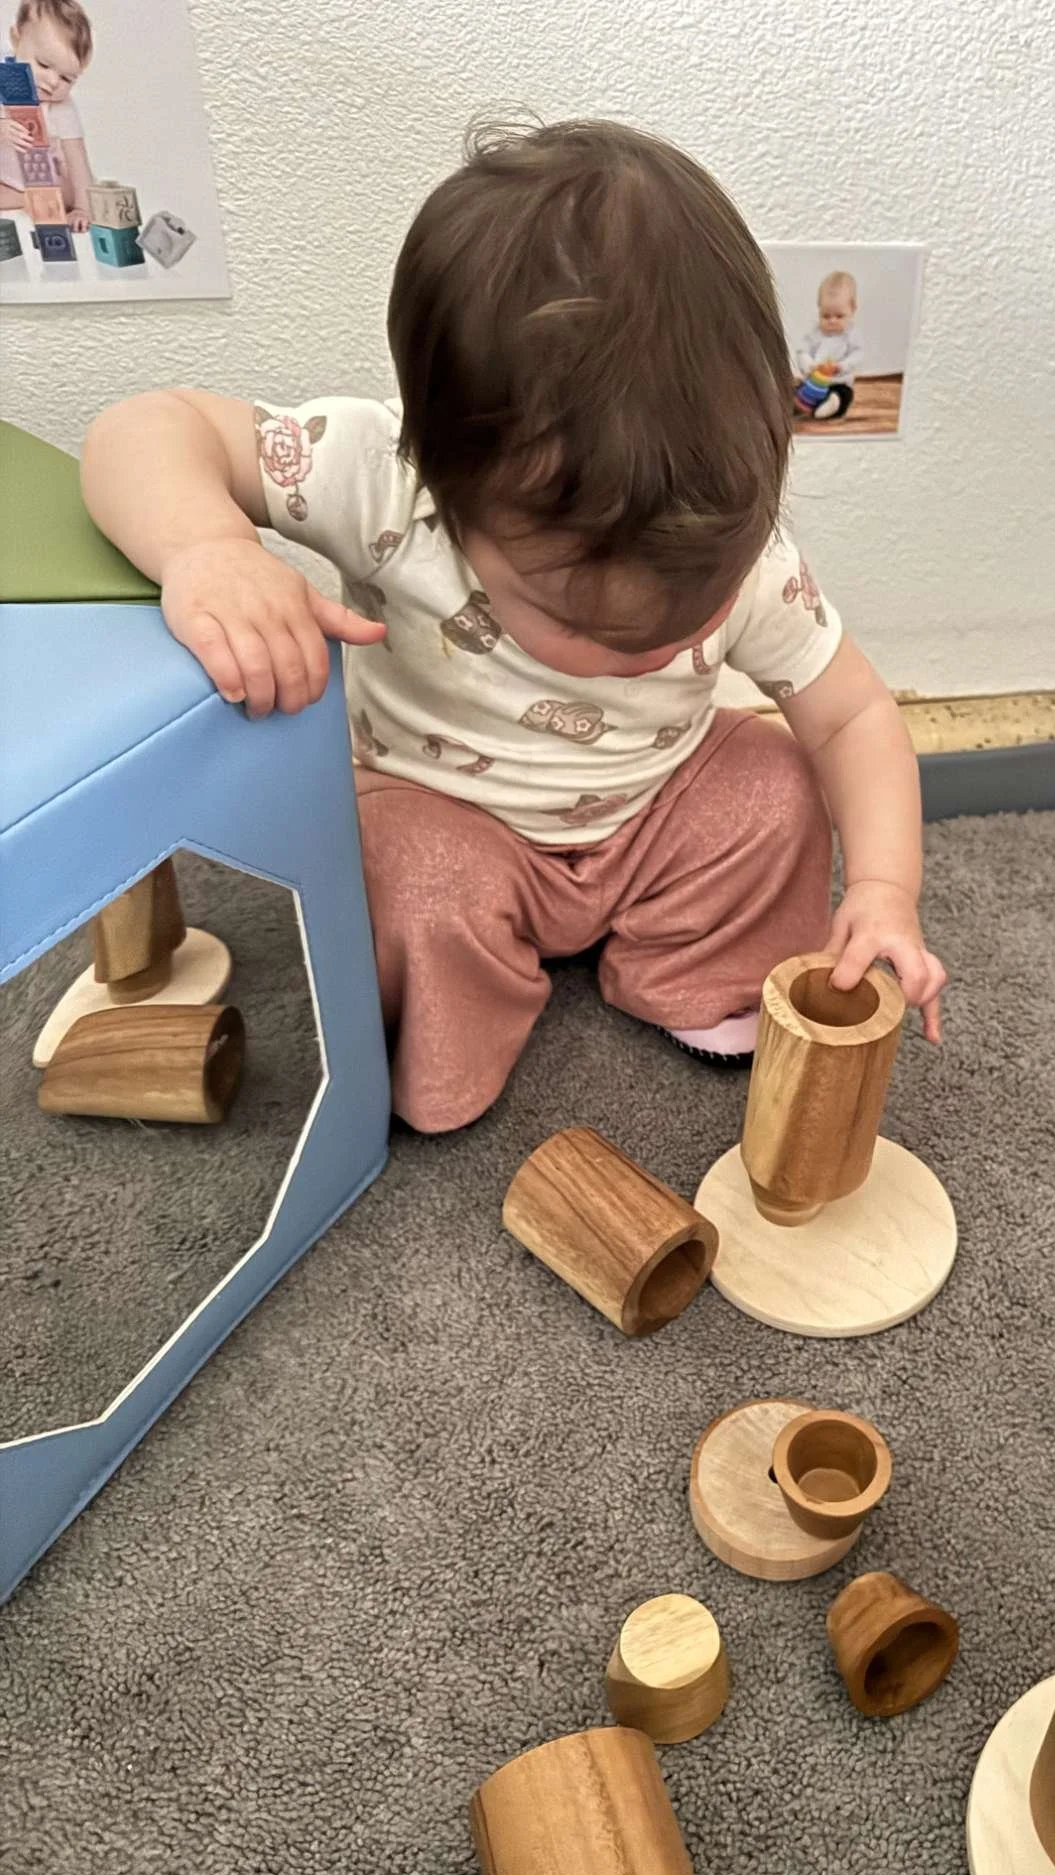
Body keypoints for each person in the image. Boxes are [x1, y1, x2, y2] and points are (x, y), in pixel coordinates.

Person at [82, 120, 946, 1133]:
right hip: (444, 810)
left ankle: (691, 969)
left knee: (778, 786)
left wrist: (885, 887)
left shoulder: (741, 542)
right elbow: (140, 429)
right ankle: (456, 1033)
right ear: (450, 481)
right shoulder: (382, 477)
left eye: (692, 604)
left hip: (648, 810)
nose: (658, 649)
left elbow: (852, 719)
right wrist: (209, 549)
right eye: (582, 620)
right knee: (405, 876)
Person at [0, 0, 95, 230]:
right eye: (43, 64)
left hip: (49, 183)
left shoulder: (61, 107)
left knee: (69, 187)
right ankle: (28, 202)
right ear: (16, 39)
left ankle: (40, 201)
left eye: (67, 79)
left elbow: (78, 162)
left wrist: (83, 208)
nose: (53, 82)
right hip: (6, 179)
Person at [794, 269, 863, 420]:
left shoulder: (851, 335)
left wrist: (842, 366)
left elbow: (857, 356)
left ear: (852, 309)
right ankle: (797, 403)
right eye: (826, 316)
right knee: (798, 389)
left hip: (837, 382)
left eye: (839, 316)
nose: (832, 321)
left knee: (844, 394)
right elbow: (802, 351)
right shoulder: (814, 332)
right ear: (819, 308)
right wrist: (809, 365)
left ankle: (833, 405)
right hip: (813, 382)